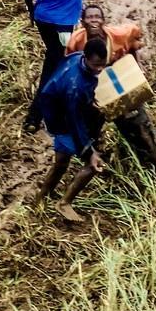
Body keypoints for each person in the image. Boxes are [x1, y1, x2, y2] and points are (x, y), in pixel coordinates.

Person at [20, 0, 106, 133]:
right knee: (54, 66)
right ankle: (35, 117)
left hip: (43, 20)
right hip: (63, 24)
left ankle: (47, 111)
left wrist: (32, 11)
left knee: (56, 56)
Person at [66, 4, 156, 170]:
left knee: (140, 127)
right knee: (89, 131)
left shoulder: (119, 34)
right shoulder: (76, 41)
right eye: (89, 17)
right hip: (93, 89)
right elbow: (71, 69)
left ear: (104, 21)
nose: (93, 20)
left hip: (119, 83)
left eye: (97, 17)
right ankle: (93, 161)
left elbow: (134, 34)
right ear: (82, 22)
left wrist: (136, 64)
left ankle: (155, 165)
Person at [36, 38, 110, 222]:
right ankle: (64, 202)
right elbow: (75, 122)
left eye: (103, 65)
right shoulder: (75, 88)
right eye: (96, 65)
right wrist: (89, 151)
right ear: (86, 58)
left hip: (55, 109)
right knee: (93, 165)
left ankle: (41, 198)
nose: (100, 69)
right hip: (62, 120)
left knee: (61, 161)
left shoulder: (76, 57)